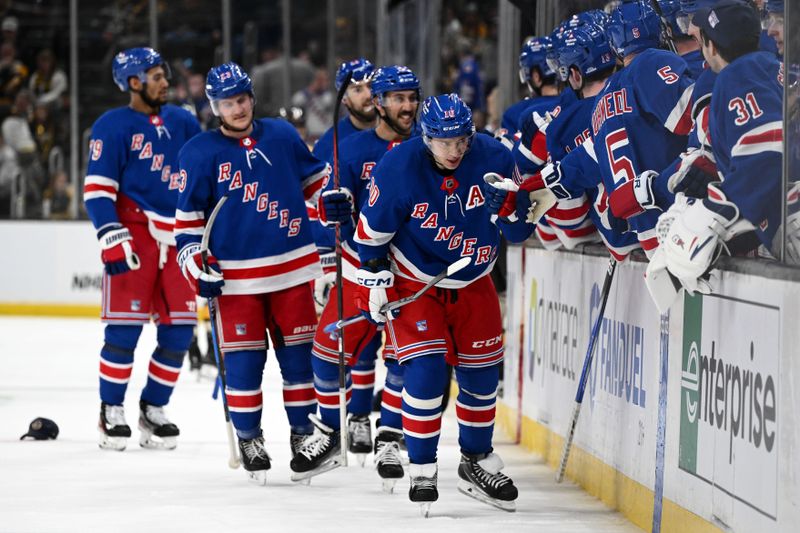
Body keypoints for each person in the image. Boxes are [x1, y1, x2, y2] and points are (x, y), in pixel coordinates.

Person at [354, 93, 526, 512]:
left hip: (475, 280)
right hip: (416, 284)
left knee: (483, 379)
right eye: (445, 142)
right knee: (428, 373)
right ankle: (423, 467)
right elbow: (370, 239)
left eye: (462, 140)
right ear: (425, 137)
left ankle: (476, 461)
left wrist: (510, 209)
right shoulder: (397, 167)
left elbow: (519, 232)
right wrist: (375, 280)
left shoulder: (494, 157)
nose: (455, 151)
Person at [174, 62, 330, 484]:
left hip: (293, 268)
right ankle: (249, 437)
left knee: (298, 362)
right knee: (244, 365)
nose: (237, 108)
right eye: (228, 102)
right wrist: (194, 263)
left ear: (251, 98)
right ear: (215, 107)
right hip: (235, 279)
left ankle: (303, 435)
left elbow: (316, 184)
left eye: (242, 99)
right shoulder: (199, 153)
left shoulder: (280, 135)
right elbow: (187, 226)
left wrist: (335, 204)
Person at [304, 65, 421, 487]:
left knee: (403, 358)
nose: (407, 106)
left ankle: (389, 435)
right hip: (358, 268)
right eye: (398, 98)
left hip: (412, 272)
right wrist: (330, 228)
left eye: (412, 98)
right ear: (379, 104)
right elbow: (327, 208)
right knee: (328, 349)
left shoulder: (430, 144)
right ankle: (335, 427)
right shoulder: (349, 150)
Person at [82, 47, 201, 451]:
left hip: (180, 237)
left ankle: (154, 408)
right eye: (155, 75)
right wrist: (111, 235)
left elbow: (202, 177)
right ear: (134, 82)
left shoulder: (184, 121)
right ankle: (110, 410)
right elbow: (98, 191)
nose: (165, 81)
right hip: (135, 235)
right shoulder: (111, 125)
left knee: (180, 332)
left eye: (164, 74)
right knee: (123, 331)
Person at [647, 0, 783, 308]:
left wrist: (715, 213)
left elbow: (767, 156)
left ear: (710, 45)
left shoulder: (738, 75)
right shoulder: (768, 67)